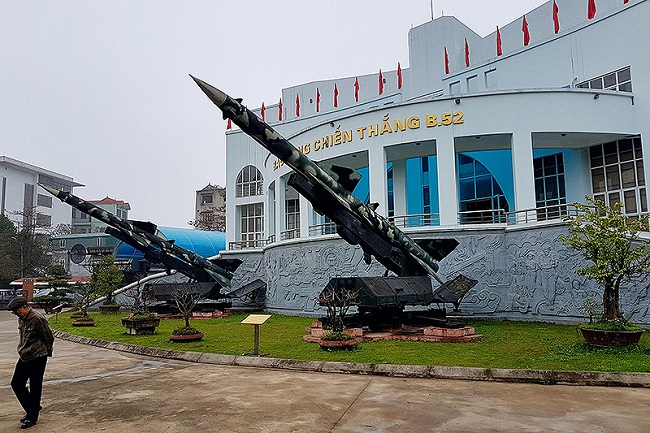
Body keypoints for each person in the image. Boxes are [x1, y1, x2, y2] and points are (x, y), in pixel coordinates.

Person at [7, 296, 54, 430]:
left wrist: (46, 353)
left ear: (25, 307)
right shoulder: (22, 319)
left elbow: (48, 337)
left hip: (38, 356)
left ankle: (32, 416)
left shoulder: (37, 319)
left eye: (17, 311)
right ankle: (33, 407)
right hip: (24, 355)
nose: (16, 314)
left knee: (35, 386)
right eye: (14, 312)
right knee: (16, 384)